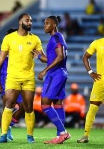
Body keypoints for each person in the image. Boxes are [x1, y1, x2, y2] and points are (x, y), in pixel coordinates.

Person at [0, 13, 44, 143]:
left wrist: (49, 59)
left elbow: (43, 57)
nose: (30, 22)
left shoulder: (35, 39)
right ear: (20, 22)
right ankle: (3, 135)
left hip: (28, 78)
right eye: (27, 20)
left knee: (28, 107)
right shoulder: (9, 38)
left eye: (31, 21)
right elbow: (0, 58)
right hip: (12, 77)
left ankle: (30, 136)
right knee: (9, 105)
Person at [35, 15, 71, 144]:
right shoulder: (57, 38)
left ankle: (63, 132)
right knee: (57, 104)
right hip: (61, 73)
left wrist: (44, 70)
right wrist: (39, 57)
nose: (45, 25)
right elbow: (53, 59)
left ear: (54, 25)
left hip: (54, 74)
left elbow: (60, 57)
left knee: (45, 104)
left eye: (47, 23)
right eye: (44, 23)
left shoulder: (56, 37)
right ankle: (59, 137)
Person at [0, 28, 25, 141]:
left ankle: (9, 125)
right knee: (7, 107)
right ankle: (4, 133)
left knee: (23, 107)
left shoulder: (20, 49)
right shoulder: (1, 51)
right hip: (5, 80)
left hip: (19, 79)